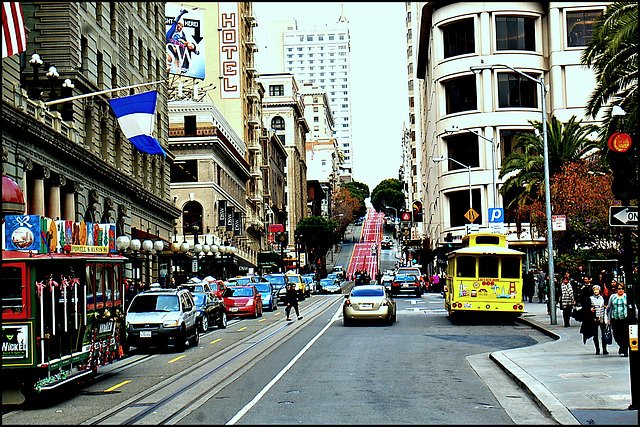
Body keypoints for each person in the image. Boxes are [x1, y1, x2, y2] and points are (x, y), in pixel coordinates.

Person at [580, 285, 608, 355]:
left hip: (602, 318)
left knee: (604, 334)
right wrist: (590, 309)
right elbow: (586, 307)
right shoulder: (590, 298)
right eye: (594, 290)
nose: (596, 291)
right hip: (594, 319)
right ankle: (597, 349)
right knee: (595, 335)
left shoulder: (602, 298)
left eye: (597, 290)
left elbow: (606, 306)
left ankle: (604, 348)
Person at [605, 283, 629, 357]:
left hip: (624, 318)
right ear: (616, 290)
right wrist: (607, 319)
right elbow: (608, 308)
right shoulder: (613, 297)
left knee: (625, 334)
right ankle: (621, 346)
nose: (620, 290)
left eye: (622, 288)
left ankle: (625, 350)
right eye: (619, 289)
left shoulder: (626, 297)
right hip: (615, 319)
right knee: (616, 334)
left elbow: (632, 307)